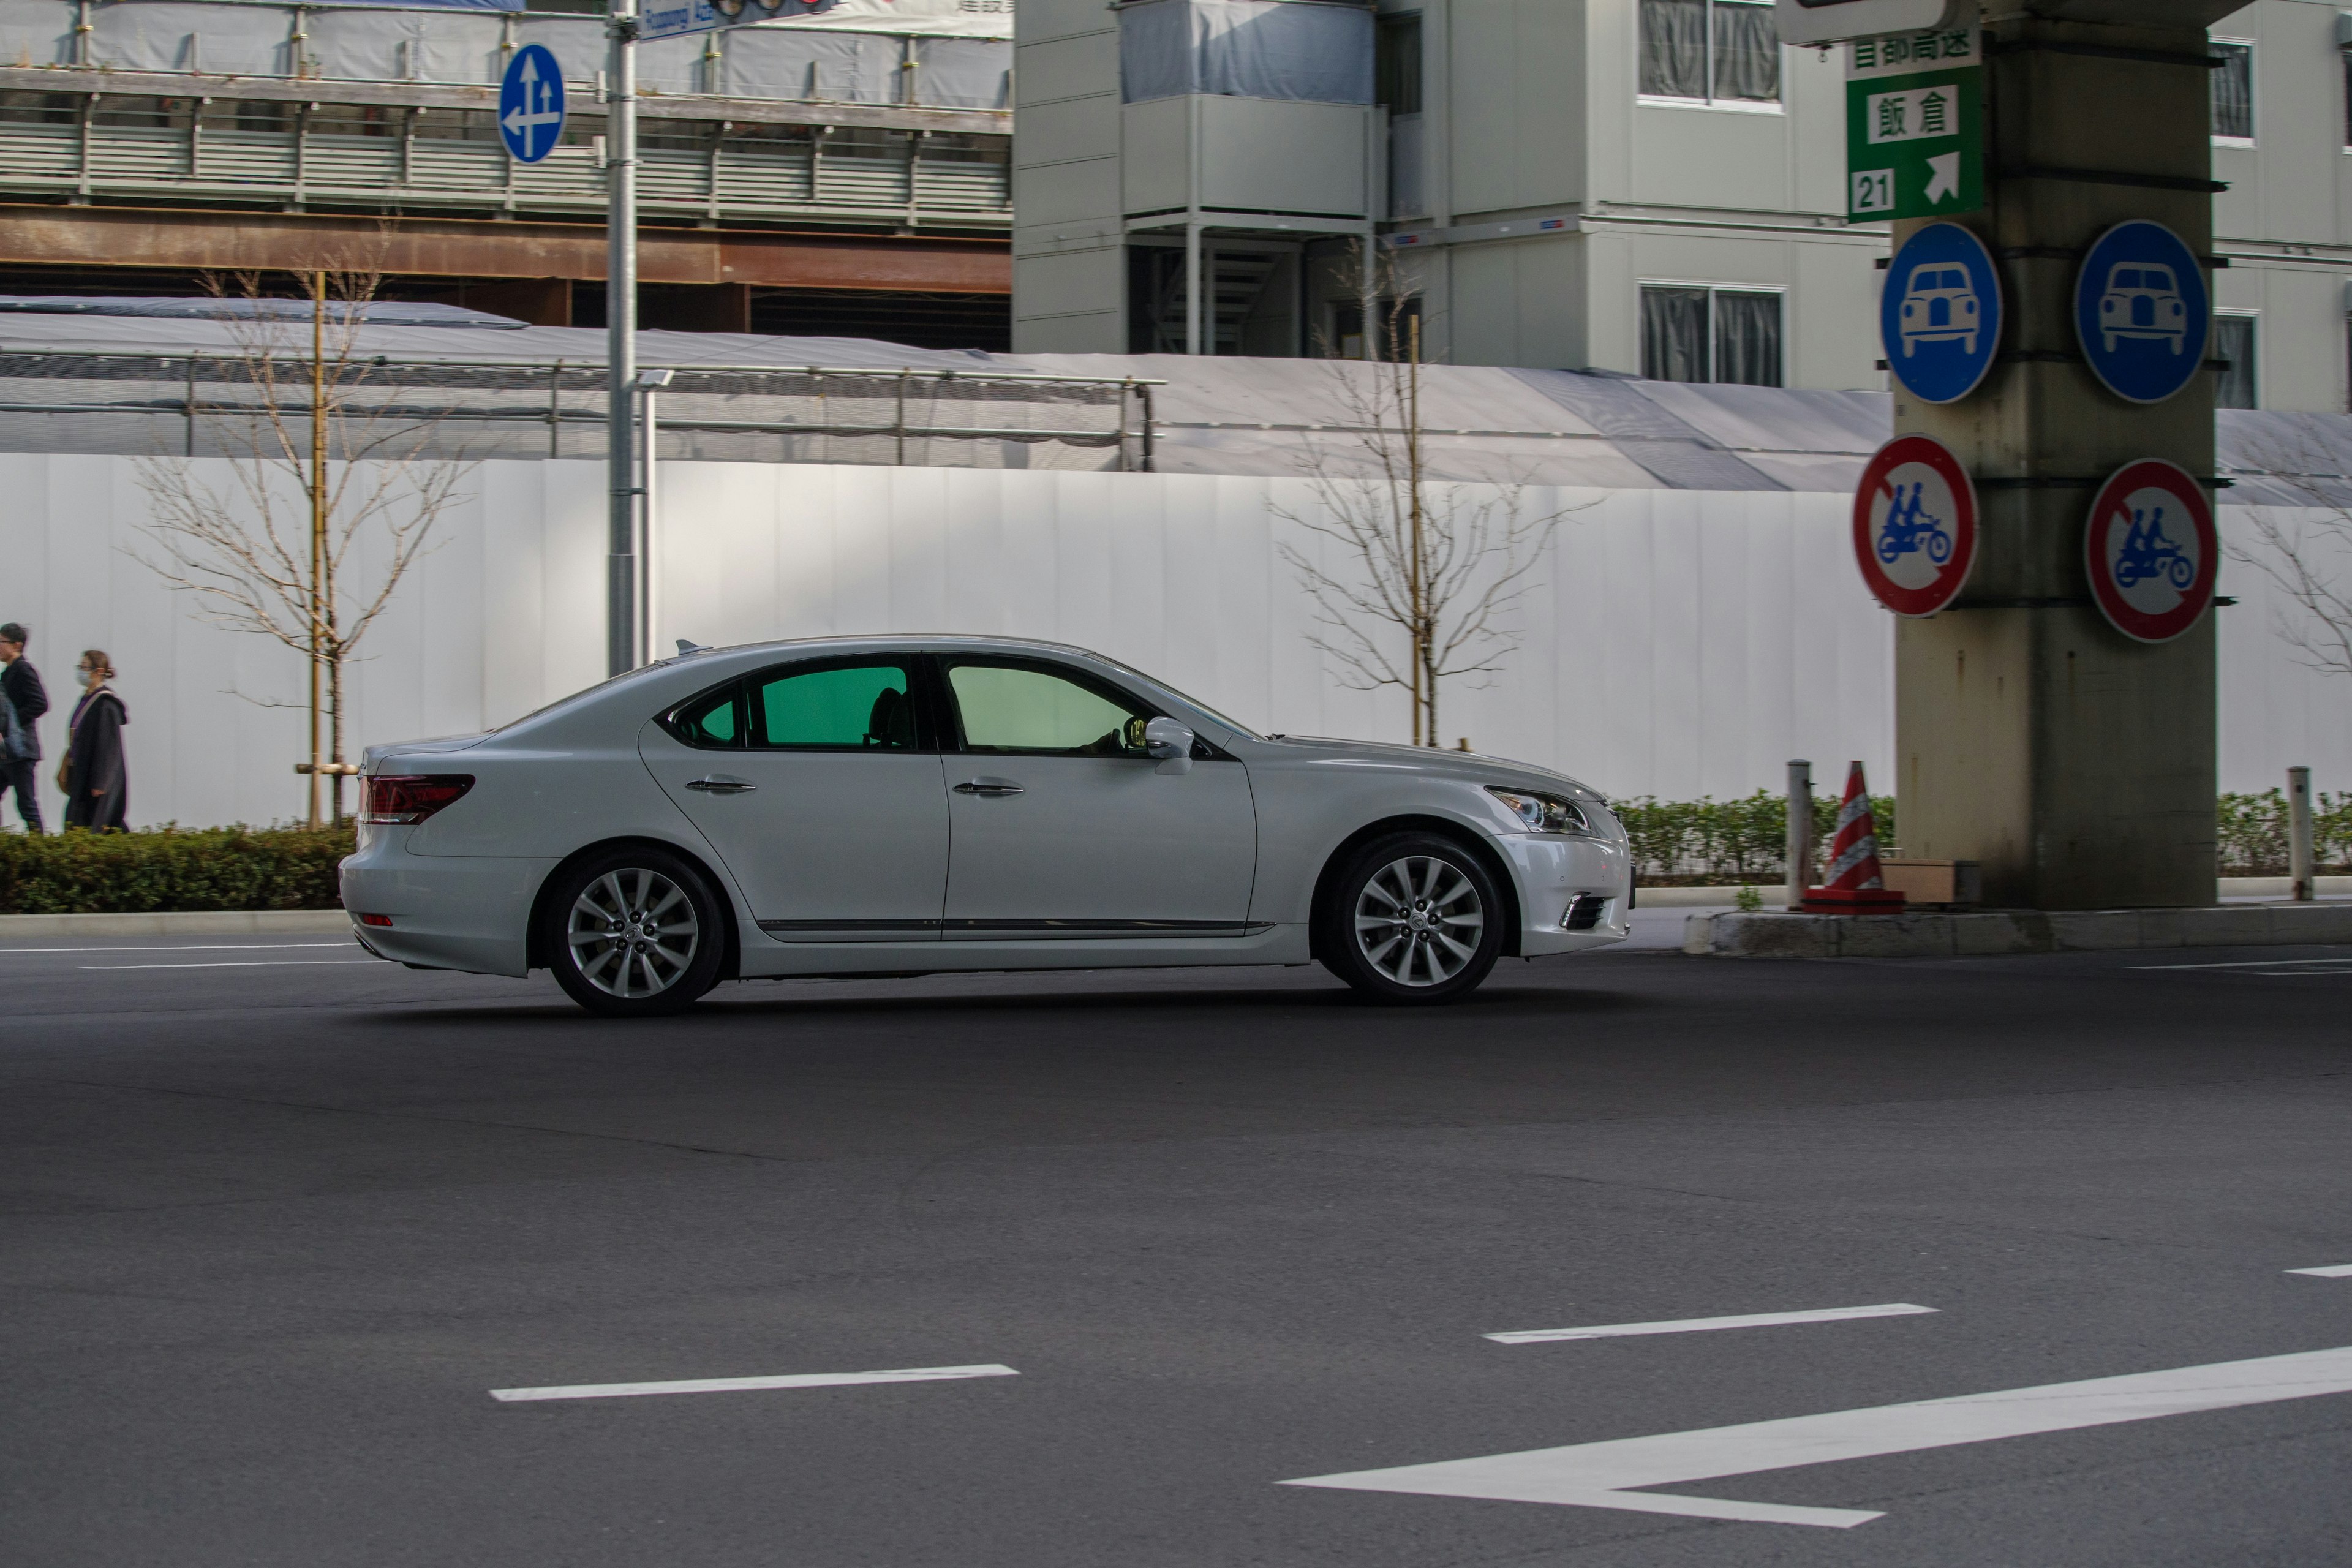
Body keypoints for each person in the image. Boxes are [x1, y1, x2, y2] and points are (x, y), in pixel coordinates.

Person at [58, 650, 127, 832]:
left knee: (96, 824)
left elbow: (108, 747)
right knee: (80, 823)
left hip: (94, 780)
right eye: (80, 667)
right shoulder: (88, 699)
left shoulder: (105, 705)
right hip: (82, 773)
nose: (81, 671)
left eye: (84, 667)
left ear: (98, 671)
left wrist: (100, 782)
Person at [0, 622, 47, 834]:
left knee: (26, 803)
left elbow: (40, 704)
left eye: (2, 642)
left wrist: (12, 723)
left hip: (21, 751)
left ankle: (40, 848)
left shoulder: (24, 670)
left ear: (17, 645)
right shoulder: (8, 673)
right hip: (7, 751)